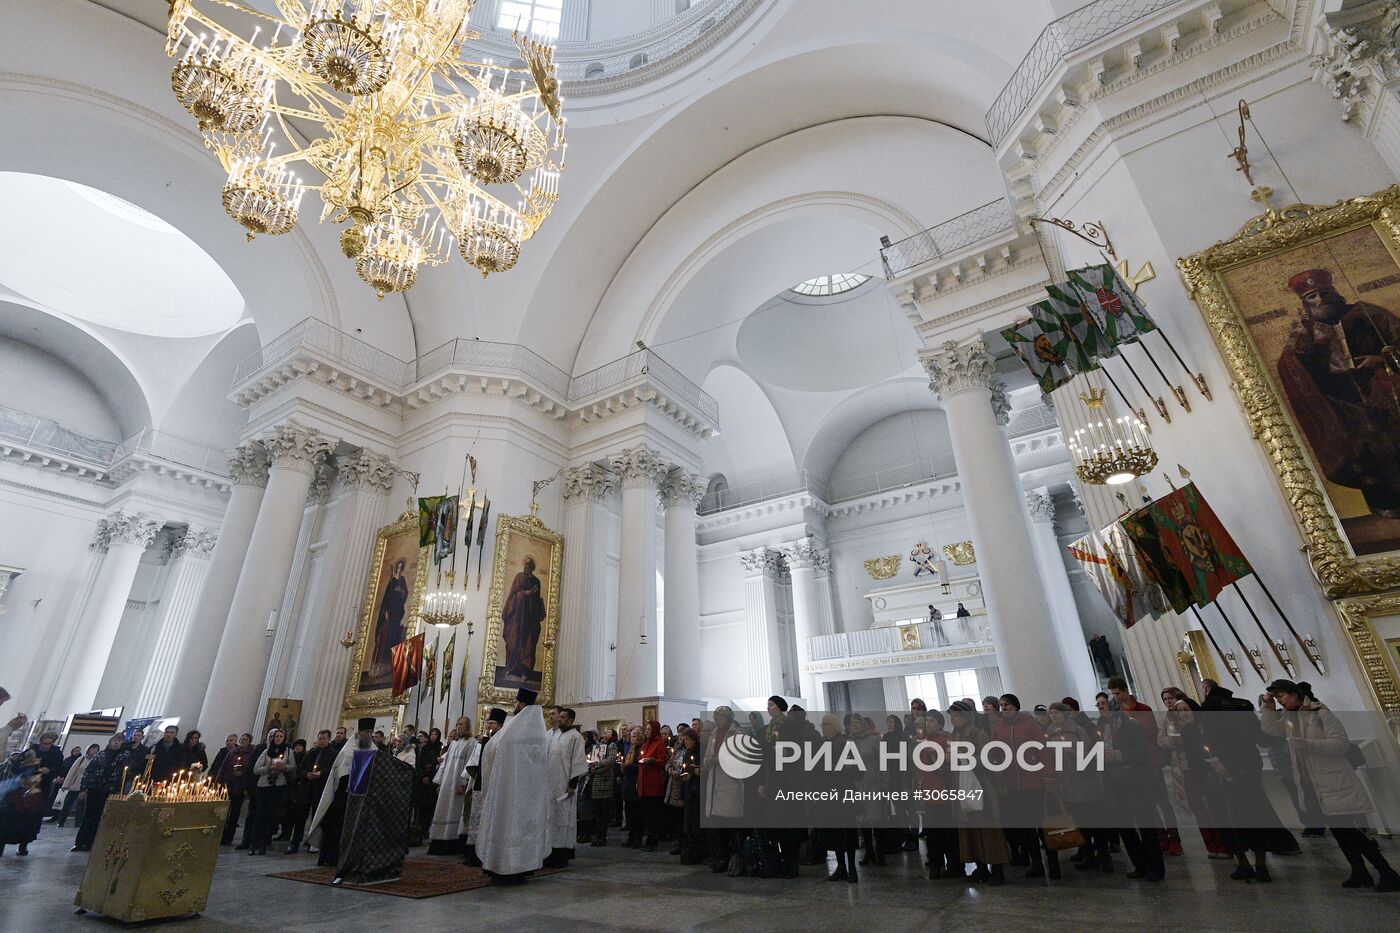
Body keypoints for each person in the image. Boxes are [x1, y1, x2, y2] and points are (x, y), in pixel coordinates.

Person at [1277, 268, 1400, 517]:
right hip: (1342, 401)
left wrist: (1380, 360)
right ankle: (1387, 505)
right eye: (1312, 296)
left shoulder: (1369, 313)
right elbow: (1291, 365)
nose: (1320, 300)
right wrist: (1305, 343)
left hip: (1383, 391)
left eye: (1323, 293)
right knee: (1365, 456)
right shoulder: (1305, 329)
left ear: (1334, 292)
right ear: (1304, 302)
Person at [1261, 679, 1400, 891]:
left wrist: (1309, 745)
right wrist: (1268, 705)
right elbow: (1271, 730)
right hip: (1314, 783)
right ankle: (1359, 871)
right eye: (1277, 697)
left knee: (1348, 830)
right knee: (1339, 831)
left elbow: (1340, 743)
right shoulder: (1290, 718)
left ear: (1295, 694)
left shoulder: (1320, 713)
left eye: (1281, 696)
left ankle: (1387, 872)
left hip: (1333, 780)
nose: (1280, 701)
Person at [476, 688, 550, 883]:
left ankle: (505, 866)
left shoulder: (514, 732)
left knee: (507, 825)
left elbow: (495, 751)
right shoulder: (537, 732)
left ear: (523, 705)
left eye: (516, 703)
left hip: (507, 791)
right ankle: (522, 866)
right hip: (528, 794)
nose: (514, 706)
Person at [1107, 676, 1182, 857]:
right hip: (1133, 766)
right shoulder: (1117, 715)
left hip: (1150, 760)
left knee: (1163, 801)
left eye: (1117, 693)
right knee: (1147, 803)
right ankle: (1160, 837)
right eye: (1113, 695)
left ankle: (1174, 839)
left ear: (1125, 690)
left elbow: (1151, 735)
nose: (1115, 697)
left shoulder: (1143, 709)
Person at [992, 693, 1055, 879]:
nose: (1004, 708)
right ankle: (1036, 863)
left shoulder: (1029, 724)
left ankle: (1053, 862)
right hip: (1013, 784)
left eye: (1008, 705)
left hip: (1033, 782)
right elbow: (996, 751)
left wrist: (1049, 777)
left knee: (1043, 825)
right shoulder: (997, 727)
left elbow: (1043, 749)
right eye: (1002, 705)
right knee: (1026, 827)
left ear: (1016, 707)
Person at [947, 700, 1010, 884]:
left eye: (956, 715)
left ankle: (997, 869)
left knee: (988, 827)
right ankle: (980, 867)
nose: (952, 719)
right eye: (951, 715)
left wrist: (965, 757)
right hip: (961, 784)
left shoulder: (977, 733)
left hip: (980, 785)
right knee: (970, 828)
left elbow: (988, 759)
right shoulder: (954, 735)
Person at [702, 706, 744, 873]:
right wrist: (709, 761)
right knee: (716, 825)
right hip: (714, 782)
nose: (716, 719)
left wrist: (722, 759)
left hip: (730, 782)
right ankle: (720, 856)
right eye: (715, 716)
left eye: (719, 716)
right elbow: (706, 759)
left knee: (729, 825)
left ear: (728, 718)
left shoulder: (737, 735)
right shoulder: (713, 735)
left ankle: (732, 858)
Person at [462, 709, 505, 867]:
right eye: (488, 724)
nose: (489, 727)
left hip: (493, 785)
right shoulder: (485, 741)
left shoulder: (502, 740)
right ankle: (473, 854)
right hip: (480, 783)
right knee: (475, 820)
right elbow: (474, 763)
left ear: (500, 725)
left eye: (492, 723)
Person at [544, 706, 587, 868]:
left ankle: (561, 855)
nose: (559, 719)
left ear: (570, 720)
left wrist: (572, 785)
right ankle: (548, 852)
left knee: (563, 819)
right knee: (550, 818)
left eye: (563, 717)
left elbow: (577, 762)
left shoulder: (576, 737)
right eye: (559, 716)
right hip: (550, 785)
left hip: (565, 786)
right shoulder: (555, 736)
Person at [72, 734, 126, 852]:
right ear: (110, 742)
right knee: (88, 816)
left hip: (110, 791)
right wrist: (83, 788)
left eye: (119, 741)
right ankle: (80, 842)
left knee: (102, 818)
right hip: (95, 789)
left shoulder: (124, 756)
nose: (116, 743)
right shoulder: (100, 755)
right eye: (114, 740)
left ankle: (94, 843)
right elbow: (89, 771)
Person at [427, 716, 472, 855]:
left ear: (468, 726)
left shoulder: (472, 743)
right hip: (447, 784)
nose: (459, 726)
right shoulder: (453, 745)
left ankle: (453, 843)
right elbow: (445, 765)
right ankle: (440, 841)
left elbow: (470, 765)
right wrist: (440, 782)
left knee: (456, 812)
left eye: (462, 724)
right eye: (457, 724)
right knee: (443, 810)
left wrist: (464, 784)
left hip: (459, 785)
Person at [247, 728, 295, 856]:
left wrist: (283, 767)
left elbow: (293, 767)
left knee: (270, 816)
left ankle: (263, 843)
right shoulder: (266, 752)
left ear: (284, 738)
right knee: (259, 815)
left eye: (280, 736)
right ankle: (253, 844)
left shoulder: (288, 752)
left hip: (278, 787)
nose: (278, 738)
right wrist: (269, 768)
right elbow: (256, 769)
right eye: (276, 736)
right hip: (264, 786)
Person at [500, 556, 546, 681]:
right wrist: (524, 594)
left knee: (528, 644)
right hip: (517, 616)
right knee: (513, 642)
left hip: (530, 618)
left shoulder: (536, 581)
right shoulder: (519, 577)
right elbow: (513, 595)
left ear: (532, 567)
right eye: (525, 564)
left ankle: (526, 671)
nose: (526, 567)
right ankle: (511, 668)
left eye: (529, 565)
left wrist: (532, 597)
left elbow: (537, 600)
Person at [0, 748, 47, 856]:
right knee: (24, 828)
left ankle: (3, 849)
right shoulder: (36, 771)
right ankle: (22, 848)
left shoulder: (16, 768)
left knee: (4, 829)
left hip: (12, 804)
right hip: (26, 805)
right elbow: (35, 790)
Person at [217, 733, 256, 847]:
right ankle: (221, 835)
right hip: (228, 784)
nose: (243, 741)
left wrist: (242, 773)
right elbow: (223, 767)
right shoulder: (233, 752)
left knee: (234, 813)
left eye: (246, 739)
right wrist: (219, 782)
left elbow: (251, 770)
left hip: (240, 787)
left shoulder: (252, 754)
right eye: (242, 739)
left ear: (249, 741)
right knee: (223, 812)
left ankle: (228, 837)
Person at [634, 720, 667, 852]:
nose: (647, 731)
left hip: (653, 783)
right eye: (646, 729)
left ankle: (652, 840)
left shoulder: (659, 743)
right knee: (645, 814)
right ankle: (646, 838)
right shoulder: (645, 743)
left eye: (649, 729)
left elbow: (662, 761)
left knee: (653, 814)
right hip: (643, 783)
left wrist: (653, 761)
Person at [55, 744, 99, 828]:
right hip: (75, 784)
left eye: (96, 749)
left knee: (81, 806)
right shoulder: (81, 759)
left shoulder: (96, 761)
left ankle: (78, 823)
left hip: (86, 786)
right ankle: (61, 821)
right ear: (88, 749)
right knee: (68, 804)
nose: (94, 751)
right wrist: (66, 785)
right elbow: (72, 771)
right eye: (93, 749)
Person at [587, 727, 618, 847]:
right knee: (597, 812)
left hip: (604, 781)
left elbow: (610, 760)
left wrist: (596, 767)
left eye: (609, 732)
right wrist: (591, 765)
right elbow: (593, 759)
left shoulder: (612, 746)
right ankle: (597, 835)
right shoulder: (599, 746)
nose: (605, 733)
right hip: (596, 781)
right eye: (604, 732)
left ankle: (603, 836)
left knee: (604, 811)